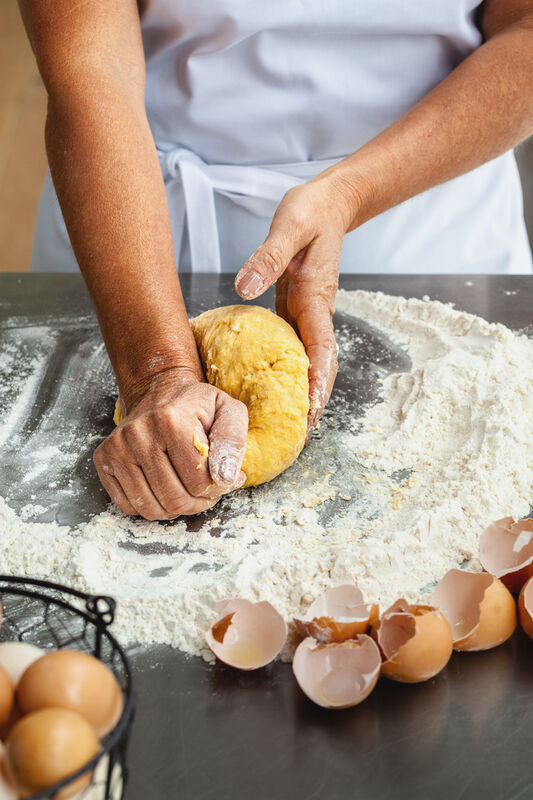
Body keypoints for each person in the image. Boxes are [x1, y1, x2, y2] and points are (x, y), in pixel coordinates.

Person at [20, 0, 533, 520]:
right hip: (132, 226)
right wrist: (157, 373)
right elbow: (90, 67)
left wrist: (350, 192)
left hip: (428, 207)